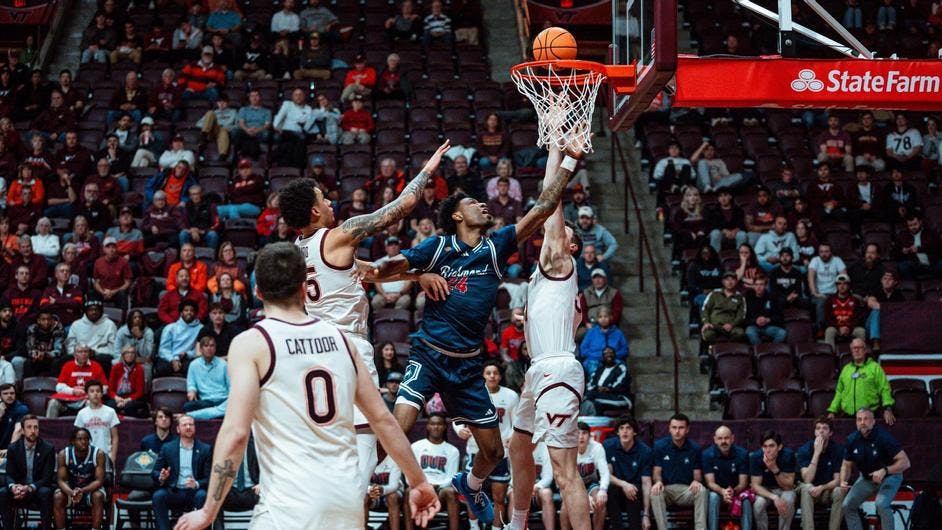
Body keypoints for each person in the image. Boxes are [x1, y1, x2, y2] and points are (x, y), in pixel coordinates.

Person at [369, 143, 583, 525]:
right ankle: (359, 480)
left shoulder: (495, 247)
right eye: (473, 204)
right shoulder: (439, 247)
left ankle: (469, 484)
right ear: (455, 215)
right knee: (398, 426)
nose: (484, 206)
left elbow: (544, 208)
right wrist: (419, 274)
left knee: (493, 453)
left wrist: (570, 160)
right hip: (430, 355)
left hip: (468, 368)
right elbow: (388, 267)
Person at [173, 243, 440, 530]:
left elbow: (237, 433)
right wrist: (419, 481)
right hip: (344, 500)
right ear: (304, 288)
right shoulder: (343, 342)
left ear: (257, 292)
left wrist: (208, 511)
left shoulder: (252, 343)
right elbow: (384, 421)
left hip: (291, 501)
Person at [277, 142, 450, 496]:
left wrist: (416, 276)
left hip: (311, 350)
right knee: (366, 441)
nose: (329, 203)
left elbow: (367, 273)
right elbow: (401, 207)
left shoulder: (296, 252)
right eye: (323, 199)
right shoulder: (339, 235)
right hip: (347, 347)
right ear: (313, 212)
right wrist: (428, 170)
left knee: (333, 445)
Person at [453, 361, 518, 530]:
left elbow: (517, 422)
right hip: (476, 451)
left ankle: (497, 528)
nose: (492, 376)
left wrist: (511, 436)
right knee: (471, 494)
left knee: (499, 498)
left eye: (495, 373)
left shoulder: (511, 396)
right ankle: (474, 527)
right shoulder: (472, 394)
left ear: (500, 376)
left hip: (500, 453)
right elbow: (457, 416)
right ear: (482, 376)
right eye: (488, 373)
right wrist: (459, 429)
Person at [839, 408, 911, 530]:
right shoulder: (851, 440)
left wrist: (885, 470)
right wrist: (843, 481)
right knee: (847, 505)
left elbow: (905, 462)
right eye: (859, 419)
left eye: (866, 419)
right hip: (867, 479)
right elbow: (846, 465)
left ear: (873, 421)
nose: (862, 422)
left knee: (881, 504)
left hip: (890, 476)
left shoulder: (884, 437)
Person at [151, 415, 211, 530]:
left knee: (202, 495)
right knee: (158, 496)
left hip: (195, 492)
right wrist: (162, 477)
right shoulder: (167, 448)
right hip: (175, 491)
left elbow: (209, 478)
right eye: (184, 425)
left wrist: (197, 484)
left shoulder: (205, 449)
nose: (188, 427)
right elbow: (155, 472)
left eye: (191, 424)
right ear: (178, 429)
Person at [650, 413, 707, 530]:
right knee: (655, 492)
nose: (677, 431)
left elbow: (697, 475)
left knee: (701, 490)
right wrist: (658, 482)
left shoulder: (695, 448)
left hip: (686, 490)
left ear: (687, 430)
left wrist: (696, 481)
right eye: (674, 427)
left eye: (681, 428)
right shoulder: (659, 446)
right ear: (669, 429)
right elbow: (656, 472)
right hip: (667, 490)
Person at [0, 415, 55, 529]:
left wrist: (29, 488)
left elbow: (47, 478)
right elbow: (9, 474)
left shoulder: (48, 448)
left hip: (37, 489)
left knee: (46, 492)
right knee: (3, 492)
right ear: (23, 430)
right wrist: (13, 487)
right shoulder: (13, 448)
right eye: (29, 427)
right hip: (19, 490)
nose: (33, 431)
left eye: (36, 427)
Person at [410, 412, 461, 530]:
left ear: (445, 427)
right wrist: (424, 486)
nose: (436, 427)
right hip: (421, 489)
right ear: (427, 426)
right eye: (432, 424)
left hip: (440, 491)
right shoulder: (416, 447)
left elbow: (451, 478)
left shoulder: (452, 451)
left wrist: (437, 486)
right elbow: (411, 472)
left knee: (451, 492)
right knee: (409, 491)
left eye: (439, 424)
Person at [827, 338, 895, 422]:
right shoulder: (846, 369)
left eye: (859, 347)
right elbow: (839, 392)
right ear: (851, 351)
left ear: (865, 350)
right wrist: (832, 411)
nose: (856, 350)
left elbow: (885, 388)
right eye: (854, 348)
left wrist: (887, 408)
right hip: (848, 416)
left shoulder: (875, 367)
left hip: (869, 417)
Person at [603, 417, 652, 530]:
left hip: (635, 492)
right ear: (617, 432)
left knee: (634, 490)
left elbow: (646, 483)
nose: (624, 431)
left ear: (634, 432)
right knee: (611, 488)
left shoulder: (645, 451)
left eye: (628, 428)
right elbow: (606, 475)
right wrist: (624, 484)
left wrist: (646, 515)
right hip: (616, 489)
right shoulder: (608, 446)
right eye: (621, 428)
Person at [797, 417, 845, 530]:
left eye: (825, 428)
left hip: (826, 490)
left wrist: (822, 487)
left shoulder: (838, 450)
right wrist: (816, 453)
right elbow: (807, 479)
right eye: (818, 428)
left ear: (830, 433)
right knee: (807, 487)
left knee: (840, 490)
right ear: (814, 432)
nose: (821, 431)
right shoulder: (805, 450)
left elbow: (838, 480)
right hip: (808, 494)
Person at [53, 427, 106, 530]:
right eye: (80, 439)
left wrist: (82, 490)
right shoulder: (64, 454)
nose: (84, 442)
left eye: (86, 439)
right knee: (58, 496)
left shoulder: (98, 454)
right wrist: (71, 492)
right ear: (72, 441)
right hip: (71, 490)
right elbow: (60, 480)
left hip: (91, 490)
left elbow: (99, 481)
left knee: (98, 496)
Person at [702, 426, 751, 530]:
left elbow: (743, 483)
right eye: (720, 438)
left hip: (736, 492)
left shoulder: (742, 454)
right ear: (715, 440)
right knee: (713, 497)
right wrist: (723, 492)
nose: (723, 441)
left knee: (746, 500)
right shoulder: (707, 455)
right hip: (718, 493)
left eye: (726, 438)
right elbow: (710, 483)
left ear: (732, 438)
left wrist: (732, 492)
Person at [565, 422, 610, 530]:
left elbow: (605, 473)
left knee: (600, 501)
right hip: (572, 486)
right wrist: (584, 497)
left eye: (584, 433)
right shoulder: (568, 449)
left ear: (589, 436)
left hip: (591, 484)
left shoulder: (597, 447)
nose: (581, 437)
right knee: (564, 507)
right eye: (578, 433)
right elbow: (566, 478)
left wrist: (603, 490)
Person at [749, 431, 797, 530]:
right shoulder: (756, 457)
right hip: (765, 490)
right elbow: (755, 486)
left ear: (779, 447)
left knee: (788, 498)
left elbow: (789, 486)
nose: (768, 450)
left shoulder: (788, 455)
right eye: (765, 446)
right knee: (759, 504)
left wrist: (774, 469)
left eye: (771, 446)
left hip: (783, 489)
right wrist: (774, 497)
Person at [73, 379, 120, 466]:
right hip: (87, 457)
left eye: (98, 391)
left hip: (106, 455)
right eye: (92, 391)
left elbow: (115, 437)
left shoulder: (110, 411)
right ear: (87, 394)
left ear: (102, 394)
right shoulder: (81, 413)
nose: (95, 393)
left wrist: (113, 457)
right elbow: (77, 438)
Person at [65, 294, 117, 372]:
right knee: (61, 361)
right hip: (78, 354)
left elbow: (113, 348)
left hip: (98, 355)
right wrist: (79, 353)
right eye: (90, 310)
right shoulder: (76, 324)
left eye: (96, 309)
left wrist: (96, 352)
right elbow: (70, 345)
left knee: (106, 360)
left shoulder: (109, 324)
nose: (94, 312)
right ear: (86, 311)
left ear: (101, 311)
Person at [183, 336, 229, 420]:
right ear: (200, 349)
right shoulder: (194, 365)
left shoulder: (223, 364)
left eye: (212, 346)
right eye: (206, 346)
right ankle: (215, 413)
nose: (209, 348)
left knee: (233, 406)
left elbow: (231, 386)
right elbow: (191, 384)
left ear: (215, 348)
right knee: (188, 406)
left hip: (223, 399)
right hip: (206, 401)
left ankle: (199, 414)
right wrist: (192, 391)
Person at [156, 299, 202, 377]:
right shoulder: (170, 328)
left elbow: (200, 349)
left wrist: (188, 354)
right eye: (186, 310)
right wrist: (173, 359)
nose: (189, 312)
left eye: (191, 310)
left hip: (188, 358)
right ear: (181, 313)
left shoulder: (201, 328)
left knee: (192, 367)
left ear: (195, 313)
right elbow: (163, 349)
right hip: (170, 358)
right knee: (161, 369)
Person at [808, 242, 848, 330]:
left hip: (834, 293)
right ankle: (820, 329)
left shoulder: (837, 260)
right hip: (819, 294)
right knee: (822, 302)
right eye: (821, 252)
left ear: (831, 252)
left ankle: (840, 329)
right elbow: (810, 278)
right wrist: (815, 293)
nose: (824, 254)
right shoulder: (815, 260)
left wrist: (841, 293)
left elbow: (844, 278)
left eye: (826, 251)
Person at [579, 306, 629, 374]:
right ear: (597, 319)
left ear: (610, 317)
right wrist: (600, 355)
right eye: (600, 317)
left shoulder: (618, 332)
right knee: (592, 368)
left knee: (620, 369)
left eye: (605, 316)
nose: (603, 319)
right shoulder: (591, 332)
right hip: (594, 360)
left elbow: (625, 350)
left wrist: (611, 356)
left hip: (614, 360)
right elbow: (583, 350)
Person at [823, 274, 867, 349]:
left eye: (844, 283)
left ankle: (860, 354)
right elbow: (828, 319)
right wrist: (838, 328)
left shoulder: (855, 300)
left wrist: (849, 327)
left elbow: (858, 318)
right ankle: (830, 355)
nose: (842, 286)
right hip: (836, 328)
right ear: (836, 286)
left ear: (849, 285)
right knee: (829, 331)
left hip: (851, 328)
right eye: (839, 283)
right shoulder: (830, 300)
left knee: (861, 331)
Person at [701, 271, 747, 343]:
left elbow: (741, 315)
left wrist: (732, 325)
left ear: (736, 282)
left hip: (732, 326)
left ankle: (730, 351)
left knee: (740, 334)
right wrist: (706, 322)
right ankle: (709, 352)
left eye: (732, 280)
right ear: (723, 282)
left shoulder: (740, 297)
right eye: (727, 280)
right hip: (714, 325)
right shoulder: (714, 294)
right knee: (708, 334)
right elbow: (705, 309)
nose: (730, 282)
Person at [19, 308, 66, 378]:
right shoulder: (32, 329)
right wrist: (36, 354)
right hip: (37, 357)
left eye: (49, 319)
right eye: (43, 319)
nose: (46, 322)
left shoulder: (58, 329)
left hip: (51, 357)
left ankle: (54, 386)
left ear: (52, 320)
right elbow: (30, 348)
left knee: (57, 362)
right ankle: (28, 387)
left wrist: (46, 354)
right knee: (28, 363)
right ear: (38, 320)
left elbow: (59, 350)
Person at [894, 213, 942, 280]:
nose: (913, 227)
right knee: (902, 266)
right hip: (915, 265)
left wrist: (920, 249)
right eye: (910, 225)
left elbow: (939, 248)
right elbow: (894, 253)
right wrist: (903, 251)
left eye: (915, 224)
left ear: (920, 222)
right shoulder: (902, 235)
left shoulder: (931, 232)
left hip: (932, 263)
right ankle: (911, 288)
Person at [585, 347, 632, 415]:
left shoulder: (621, 368)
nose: (608, 355)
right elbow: (590, 385)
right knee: (591, 400)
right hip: (599, 396)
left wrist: (607, 389)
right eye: (605, 353)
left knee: (591, 398)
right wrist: (597, 388)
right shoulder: (598, 370)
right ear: (603, 356)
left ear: (615, 355)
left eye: (611, 353)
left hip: (619, 398)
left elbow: (620, 385)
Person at [864, 270, 904, 350]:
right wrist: (890, 309)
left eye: (890, 279)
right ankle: (876, 343)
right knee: (876, 311)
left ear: (895, 282)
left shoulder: (899, 296)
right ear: (881, 280)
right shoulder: (875, 290)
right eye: (885, 279)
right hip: (870, 327)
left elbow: (901, 311)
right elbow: (871, 303)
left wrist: (884, 309)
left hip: (889, 325)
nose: (887, 281)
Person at [107, 345, 148, 418]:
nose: (130, 355)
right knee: (110, 405)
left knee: (130, 406)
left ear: (135, 355)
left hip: (133, 398)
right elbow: (110, 389)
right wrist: (117, 398)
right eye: (127, 353)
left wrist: (126, 401)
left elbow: (139, 392)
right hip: (118, 397)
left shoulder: (139, 369)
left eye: (132, 353)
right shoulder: (116, 368)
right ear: (123, 355)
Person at [744, 273, 786, 345]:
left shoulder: (772, 298)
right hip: (754, 325)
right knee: (749, 331)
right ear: (753, 286)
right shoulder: (748, 298)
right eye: (756, 285)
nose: (758, 287)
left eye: (761, 284)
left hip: (768, 326)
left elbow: (779, 317)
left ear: (766, 286)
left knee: (782, 333)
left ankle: (772, 351)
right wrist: (755, 321)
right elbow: (744, 317)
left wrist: (768, 320)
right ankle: (759, 351)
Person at [92, 236, 132, 308]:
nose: (111, 250)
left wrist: (113, 292)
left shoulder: (123, 262)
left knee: (122, 295)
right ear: (104, 249)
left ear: (116, 249)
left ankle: (123, 317)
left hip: (117, 292)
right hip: (103, 291)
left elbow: (127, 283)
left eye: (113, 247)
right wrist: (102, 292)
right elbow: (96, 282)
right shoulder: (98, 262)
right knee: (92, 293)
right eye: (108, 247)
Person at [707, 187, 747, 252]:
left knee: (742, 234)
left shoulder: (738, 210)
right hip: (721, 234)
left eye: (725, 195)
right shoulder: (714, 211)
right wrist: (724, 231)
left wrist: (735, 230)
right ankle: (714, 257)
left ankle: (741, 258)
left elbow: (742, 224)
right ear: (718, 199)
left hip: (735, 233)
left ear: (730, 196)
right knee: (715, 233)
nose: (723, 198)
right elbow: (713, 225)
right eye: (720, 196)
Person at [368, 456, 403, 530]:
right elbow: (358, 483)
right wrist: (371, 490)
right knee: (363, 498)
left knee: (392, 497)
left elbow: (394, 485)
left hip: (393, 492)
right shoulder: (364, 458)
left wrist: (382, 490)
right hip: (372, 493)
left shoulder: (394, 457)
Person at [0, 384, 28, 450]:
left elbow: (18, 430)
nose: (9, 395)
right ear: (0, 396)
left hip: (13, 449)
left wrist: (10, 450)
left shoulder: (22, 409)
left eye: (12, 393)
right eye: (5, 393)